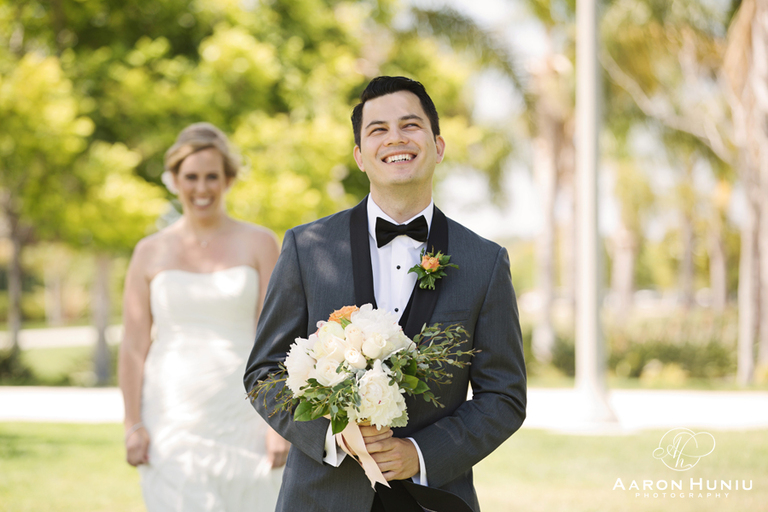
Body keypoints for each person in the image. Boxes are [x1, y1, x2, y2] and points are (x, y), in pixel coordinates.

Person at [244, 76, 527, 512]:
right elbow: (264, 373)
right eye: (378, 129)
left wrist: (420, 453)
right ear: (360, 156)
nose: (395, 138)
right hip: (319, 498)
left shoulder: (484, 262)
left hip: (432, 499)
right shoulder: (308, 247)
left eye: (410, 125)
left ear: (438, 145)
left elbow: (504, 396)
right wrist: (332, 434)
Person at [119, 122, 289, 511]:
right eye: (191, 177)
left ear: (228, 179)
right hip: (171, 413)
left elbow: (276, 338)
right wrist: (133, 424)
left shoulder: (260, 242)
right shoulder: (149, 251)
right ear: (174, 180)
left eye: (212, 176)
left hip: (245, 410)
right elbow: (132, 347)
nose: (201, 188)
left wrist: (276, 422)